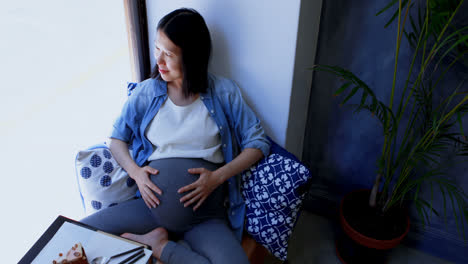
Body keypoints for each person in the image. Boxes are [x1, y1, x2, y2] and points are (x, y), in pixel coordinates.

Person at [80, 7, 270, 264]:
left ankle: (159, 246)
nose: (159, 61)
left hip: (205, 218)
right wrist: (136, 173)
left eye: (169, 54)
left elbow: (257, 143)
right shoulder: (146, 93)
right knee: (79, 234)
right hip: (149, 209)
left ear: (192, 57)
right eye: (157, 49)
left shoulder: (223, 93)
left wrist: (216, 177)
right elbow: (116, 139)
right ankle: (160, 242)